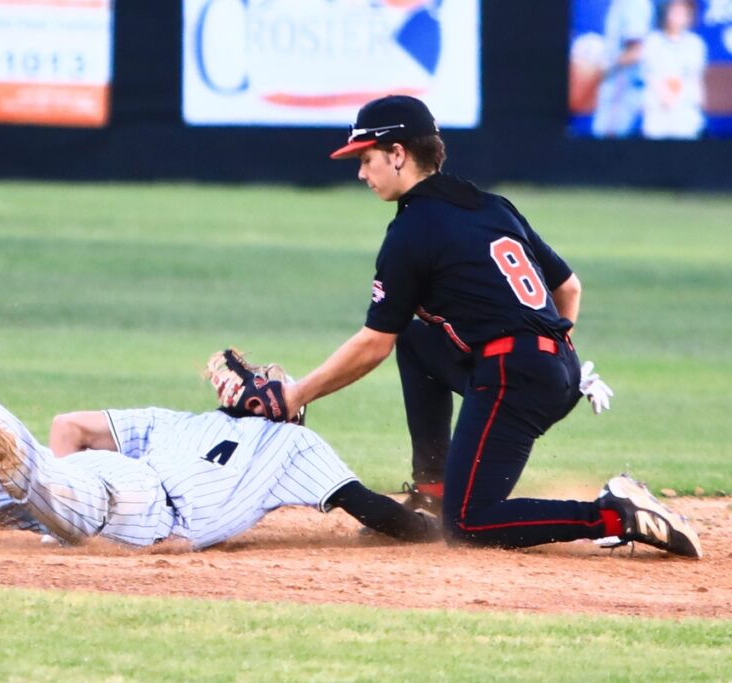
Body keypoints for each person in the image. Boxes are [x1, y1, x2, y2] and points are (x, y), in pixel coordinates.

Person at [271, 95, 702, 558]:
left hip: (513, 377)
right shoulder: (493, 206)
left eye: (366, 158)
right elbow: (569, 289)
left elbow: (373, 344)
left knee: (470, 523)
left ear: (398, 154)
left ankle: (617, 515)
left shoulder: (411, 231)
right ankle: (432, 491)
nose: (361, 172)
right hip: (559, 370)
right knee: (416, 341)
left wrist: (294, 396)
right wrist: (552, 355)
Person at [0, 325, 439, 549]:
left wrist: (52, 508)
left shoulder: (182, 421)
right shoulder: (295, 446)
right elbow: (369, 507)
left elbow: (71, 428)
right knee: (24, 471)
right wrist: (434, 531)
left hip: (103, 488)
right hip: (137, 504)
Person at [640, 0, 707, 139]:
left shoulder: (696, 44)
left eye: (683, 13)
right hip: (657, 112)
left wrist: (678, 96)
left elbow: (693, 76)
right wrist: (664, 95)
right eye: (674, 11)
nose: (677, 16)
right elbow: (649, 74)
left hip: (685, 113)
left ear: (690, 17)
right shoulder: (652, 42)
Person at [592, 0, 655, 137]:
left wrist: (604, 66)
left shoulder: (634, 3)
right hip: (613, 89)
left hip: (622, 92)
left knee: (607, 147)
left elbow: (636, 52)